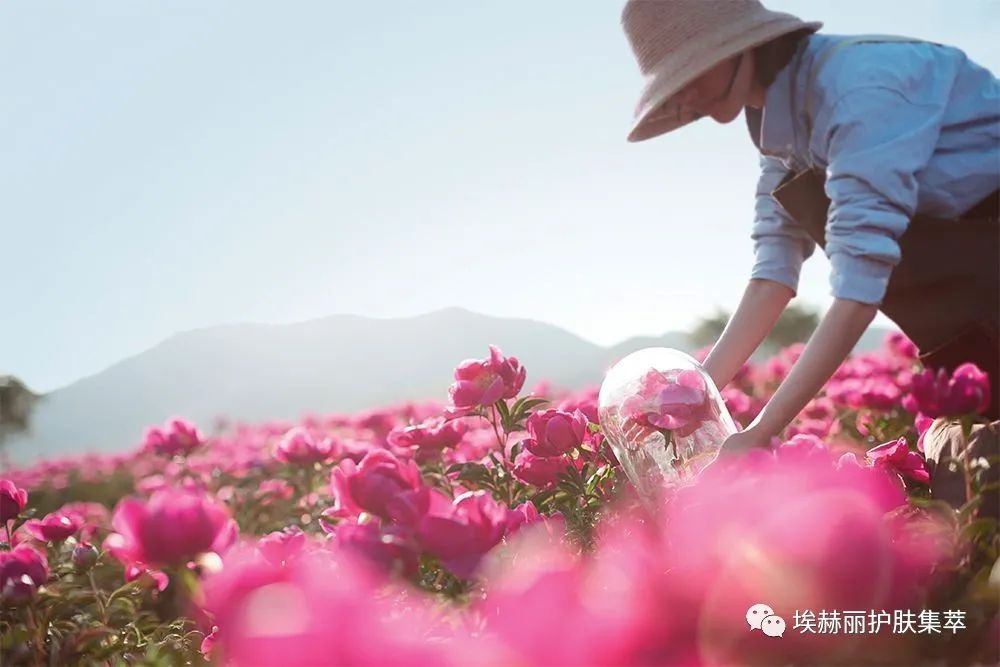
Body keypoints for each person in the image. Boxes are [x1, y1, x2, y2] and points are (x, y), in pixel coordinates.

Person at [618, 0, 999, 469]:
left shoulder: (860, 86)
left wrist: (761, 430)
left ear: (743, 44)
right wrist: (692, 396)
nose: (685, 97)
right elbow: (772, 274)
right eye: (674, 86)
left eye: (692, 72)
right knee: (962, 473)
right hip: (970, 334)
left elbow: (859, 282)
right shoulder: (779, 135)